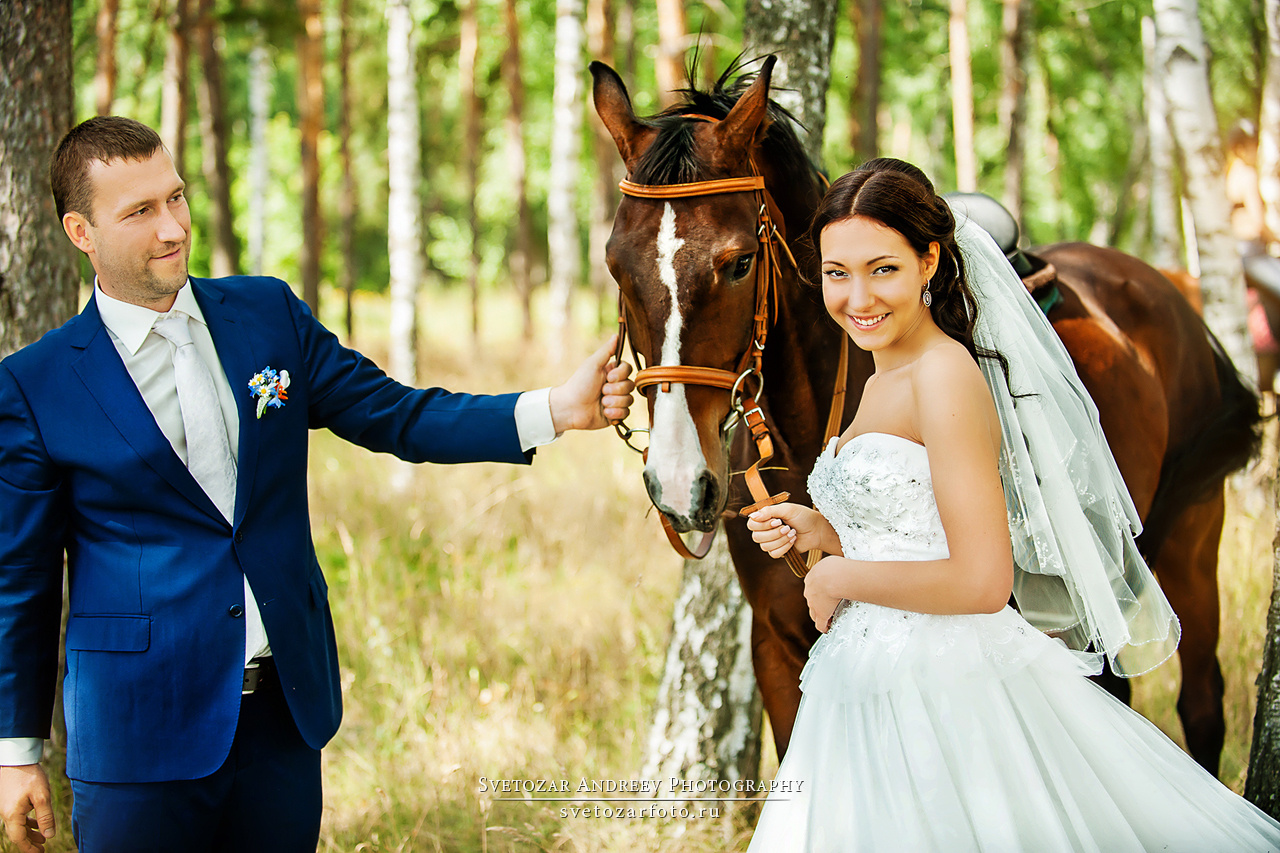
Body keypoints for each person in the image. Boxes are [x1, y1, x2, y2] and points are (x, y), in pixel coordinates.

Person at [0, 116, 635, 852]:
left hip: (282, 717)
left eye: (175, 197)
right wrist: (16, 752)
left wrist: (553, 408)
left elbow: (393, 413)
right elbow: (23, 580)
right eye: (139, 212)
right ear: (82, 232)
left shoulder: (266, 315)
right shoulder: (35, 385)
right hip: (139, 732)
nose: (173, 226)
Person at [743, 158, 1280, 851]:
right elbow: (916, 529)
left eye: (883, 269)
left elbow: (983, 579)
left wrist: (841, 577)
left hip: (945, 686)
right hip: (869, 677)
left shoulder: (944, 375)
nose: (857, 297)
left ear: (929, 260)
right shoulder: (878, 371)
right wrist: (827, 532)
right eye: (837, 273)